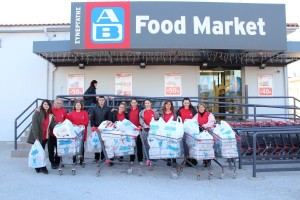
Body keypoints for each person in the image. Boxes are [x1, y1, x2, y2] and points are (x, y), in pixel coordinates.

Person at [27, 100, 56, 174]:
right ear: (42, 105)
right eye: (44, 104)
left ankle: (38, 167)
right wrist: (36, 136)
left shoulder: (50, 115)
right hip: (38, 136)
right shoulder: (38, 112)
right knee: (40, 152)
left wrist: (59, 125)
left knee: (40, 152)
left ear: (49, 106)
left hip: (45, 136)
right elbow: (34, 125)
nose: (46, 105)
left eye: (47, 104)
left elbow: (52, 125)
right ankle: (43, 167)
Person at [176, 97, 198, 167]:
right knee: (185, 145)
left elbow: (195, 120)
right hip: (183, 130)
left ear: (189, 103)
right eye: (185, 102)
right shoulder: (180, 110)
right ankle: (186, 159)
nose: (186, 104)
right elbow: (178, 119)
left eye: (187, 103)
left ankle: (193, 159)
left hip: (191, 130)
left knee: (192, 145)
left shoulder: (193, 110)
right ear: (183, 103)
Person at [193, 102, 216, 167]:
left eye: (202, 107)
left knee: (208, 147)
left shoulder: (209, 114)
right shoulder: (196, 115)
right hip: (200, 133)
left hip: (208, 133)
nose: (201, 108)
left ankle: (208, 161)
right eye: (199, 107)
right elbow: (193, 122)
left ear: (204, 108)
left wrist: (205, 125)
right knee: (202, 147)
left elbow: (211, 122)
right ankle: (204, 160)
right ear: (198, 109)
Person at [90, 96, 110, 163]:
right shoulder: (94, 108)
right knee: (97, 143)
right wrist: (92, 126)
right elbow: (91, 118)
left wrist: (108, 127)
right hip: (96, 128)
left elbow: (109, 119)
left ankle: (103, 157)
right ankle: (96, 158)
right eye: (100, 100)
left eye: (102, 100)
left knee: (104, 143)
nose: (101, 101)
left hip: (104, 129)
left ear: (104, 101)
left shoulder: (107, 108)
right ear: (98, 101)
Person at [139, 99, 159, 164]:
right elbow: (141, 120)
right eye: (146, 103)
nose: (147, 104)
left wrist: (153, 126)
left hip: (153, 131)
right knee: (146, 145)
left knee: (153, 144)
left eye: (148, 103)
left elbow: (157, 119)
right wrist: (145, 126)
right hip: (145, 130)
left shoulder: (155, 111)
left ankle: (153, 159)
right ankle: (147, 159)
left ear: (150, 104)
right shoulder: (142, 112)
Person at [50, 98, 67, 169]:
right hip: (51, 133)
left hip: (60, 135)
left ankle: (57, 161)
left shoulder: (63, 110)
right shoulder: (50, 110)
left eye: (60, 103)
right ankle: (52, 162)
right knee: (51, 149)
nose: (59, 104)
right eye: (57, 103)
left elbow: (66, 120)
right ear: (54, 103)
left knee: (59, 149)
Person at [159, 99, 177, 166]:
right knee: (167, 145)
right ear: (165, 105)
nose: (168, 105)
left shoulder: (174, 112)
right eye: (167, 104)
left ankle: (174, 160)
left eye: (169, 104)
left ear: (171, 105)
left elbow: (176, 121)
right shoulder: (161, 112)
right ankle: (169, 160)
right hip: (164, 131)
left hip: (172, 131)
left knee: (173, 146)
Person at [127, 98, 143, 165]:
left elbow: (142, 118)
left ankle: (140, 160)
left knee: (139, 145)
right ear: (130, 103)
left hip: (138, 129)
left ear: (137, 103)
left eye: (135, 102)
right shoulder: (128, 110)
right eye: (132, 102)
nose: (133, 104)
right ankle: (132, 159)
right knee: (131, 145)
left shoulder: (140, 109)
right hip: (131, 130)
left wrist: (140, 126)